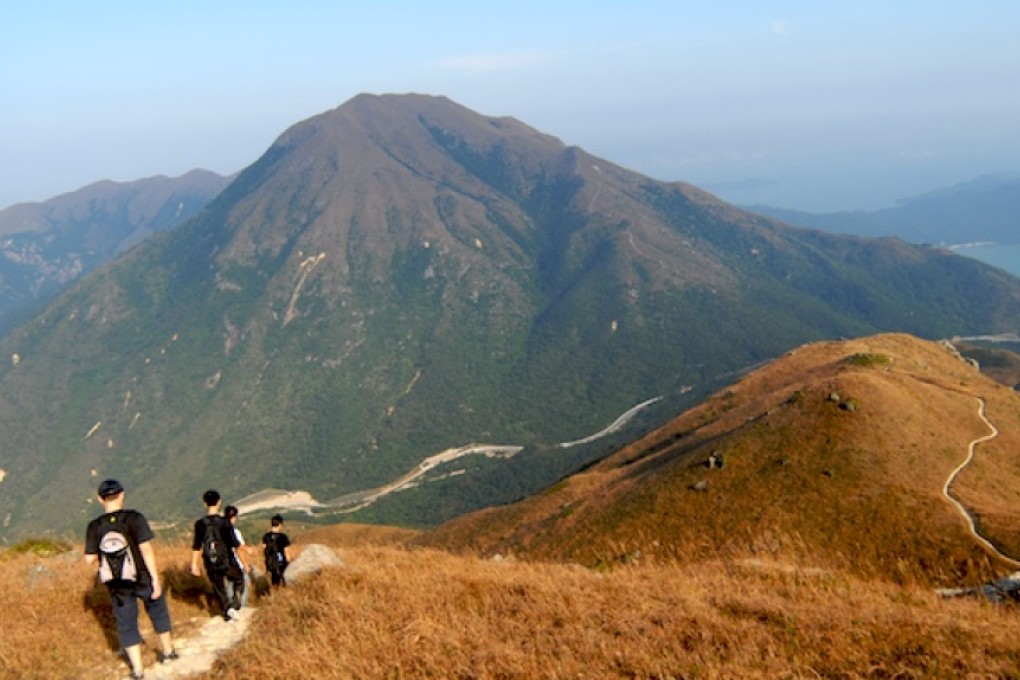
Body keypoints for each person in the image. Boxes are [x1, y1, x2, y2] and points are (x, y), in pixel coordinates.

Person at [84, 479, 177, 680]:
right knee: (157, 611)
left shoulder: (94, 526)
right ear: (122, 494)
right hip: (142, 577)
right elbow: (146, 549)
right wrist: (155, 579)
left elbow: (89, 559)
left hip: (117, 584)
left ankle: (138, 670)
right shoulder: (134, 519)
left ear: (100, 499)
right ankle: (168, 652)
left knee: (126, 623)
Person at [190, 489, 243, 620]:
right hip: (227, 559)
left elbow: (197, 546)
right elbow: (234, 543)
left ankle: (227, 609)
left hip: (210, 560)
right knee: (238, 578)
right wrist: (244, 556)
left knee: (218, 587)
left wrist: (194, 565)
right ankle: (235, 604)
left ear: (205, 504)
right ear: (219, 502)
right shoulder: (225, 522)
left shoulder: (200, 524)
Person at [224, 505, 251, 608]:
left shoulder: (220, 531)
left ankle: (230, 607)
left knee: (229, 586)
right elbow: (239, 549)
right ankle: (242, 608)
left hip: (225, 563)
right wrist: (245, 565)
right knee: (244, 586)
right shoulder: (235, 532)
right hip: (237, 564)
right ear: (234, 517)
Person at [262, 514, 293, 587]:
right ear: (280, 524)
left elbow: (264, 550)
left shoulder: (266, 536)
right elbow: (287, 552)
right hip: (281, 564)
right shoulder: (283, 537)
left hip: (269, 563)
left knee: (272, 583)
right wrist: (289, 562)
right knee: (281, 583)